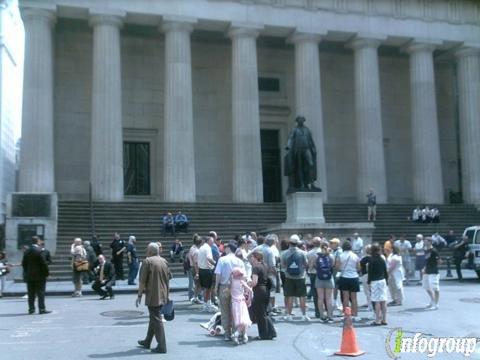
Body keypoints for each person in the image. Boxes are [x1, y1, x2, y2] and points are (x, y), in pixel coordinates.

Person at [136, 242, 171, 354]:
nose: (146, 251)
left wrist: (139, 295)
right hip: (163, 294)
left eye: (147, 250)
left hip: (153, 295)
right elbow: (168, 278)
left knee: (156, 319)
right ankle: (147, 341)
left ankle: (162, 346)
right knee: (154, 318)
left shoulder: (147, 261)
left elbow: (142, 281)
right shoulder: (164, 261)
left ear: (150, 251)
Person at [214, 242, 245, 341]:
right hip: (237, 287)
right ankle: (235, 331)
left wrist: (216, 287)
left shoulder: (222, 260)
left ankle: (227, 333)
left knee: (225, 310)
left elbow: (218, 274)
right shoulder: (239, 261)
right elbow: (243, 276)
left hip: (224, 286)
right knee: (236, 310)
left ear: (228, 249)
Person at [284, 116, 320, 193]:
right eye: (299, 119)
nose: (300, 121)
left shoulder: (307, 130)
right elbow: (291, 138)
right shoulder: (295, 130)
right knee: (299, 167)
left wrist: (313, 148)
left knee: (311, 164)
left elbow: (311, 140)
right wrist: (288, 145)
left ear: (303, 120)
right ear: (297, 121)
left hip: (307, 149)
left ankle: (312, 184)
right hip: (298, 150)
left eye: (302, 119)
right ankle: (302, 184)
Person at [281, 234, 309, 321]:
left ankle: (289, 315)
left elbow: (283, 265)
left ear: (289, 243)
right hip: (300, 277)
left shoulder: (284, 253)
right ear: (298, 243)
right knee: (302, 297)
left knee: (290, 296)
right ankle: (303, 315)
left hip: (289, 277)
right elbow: (306, 264)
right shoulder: (303, 253)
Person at [250, 251, 277, 340]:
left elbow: (254, 282)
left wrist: (247, 283)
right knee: (265, 312)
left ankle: (263, 334)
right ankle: (271, 332)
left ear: (255, 257)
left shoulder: (256, 268)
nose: (251, 258)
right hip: (266, 290)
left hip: (258, 291)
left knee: (260, 314)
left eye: (252, 257)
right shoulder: (264, 265)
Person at [22, 236, 50, 314]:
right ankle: (41, 309)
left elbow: (24, 263)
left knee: (31, 293)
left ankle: (31, 309)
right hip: (40, 275)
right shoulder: (39, 250)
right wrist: (46, 273)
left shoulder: (27, 251)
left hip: (29, 274)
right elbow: (43, 263)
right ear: (37, 241)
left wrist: (26, 272)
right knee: (40, 292)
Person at [335, 240, 361, 319]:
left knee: (345, 297)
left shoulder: (341, 256)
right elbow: (359, 268)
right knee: (354, 298)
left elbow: (337, 267)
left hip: (344, 277)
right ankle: (355, 314)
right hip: (354, 277)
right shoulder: (355, 256)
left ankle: (346, 314)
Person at [313, 240, 335, 322]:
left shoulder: (316, 256)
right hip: (329, 278)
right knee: (329, 298)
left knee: (320, 298)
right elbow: (333, 265)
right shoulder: (331, 256)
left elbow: (314, 265)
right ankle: (330, 316)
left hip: (319, 278)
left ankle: (322, 315)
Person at [230, 267, 252, 345]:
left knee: (240, 320)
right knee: (244, 319)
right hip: (241, 302)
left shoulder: (231, 281)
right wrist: (249, 299)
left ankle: (244, 336)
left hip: (234, 302)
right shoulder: (241, 282)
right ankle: (236, 334)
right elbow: (250, 290)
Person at [367, 243, 388, 326]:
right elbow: (385, 271)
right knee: (384, 300)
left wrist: (368, 283)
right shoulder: (382, 259)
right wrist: (386, 281)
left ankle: (377, 319)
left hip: (375, 281)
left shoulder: (371, 260)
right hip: (382, 280)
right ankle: (384, 319)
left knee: (377, 301)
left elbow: (370, 273)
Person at [196, 237, 217, 312]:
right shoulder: (207, 248)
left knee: (206, 288)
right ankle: (207, 305)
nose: (213, 243)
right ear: (208, 241)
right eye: (212, 241)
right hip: (207, 270)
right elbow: (209, 258)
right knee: (208, 289)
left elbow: (198, 261)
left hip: (201, 269)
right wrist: (215, 263)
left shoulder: (201, 248)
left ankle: (207, 304)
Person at [422, 238, 440, 310]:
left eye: (426, 241)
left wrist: (434, 266)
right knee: (426, 287)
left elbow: (439, 260)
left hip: (433, 272)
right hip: (426, 271)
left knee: (435, 287)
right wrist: (424, 268)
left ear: (430, 242)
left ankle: (436, 304)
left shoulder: (434, 251)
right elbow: (426, 260)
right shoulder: (426, 250)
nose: (424, 242)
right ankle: (432, 301)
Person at [306, 237, 321, 318]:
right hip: (323, 275)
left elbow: (307, 264)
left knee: (315, 294)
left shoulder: (309, 253)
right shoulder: (323, 251)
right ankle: (324, 310)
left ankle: (317, 312)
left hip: (313, 274)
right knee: (323, 294)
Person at [187, 234, 202, 304]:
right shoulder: (196, 251)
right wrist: (197, 273)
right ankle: (195, 297)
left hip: (192, 267)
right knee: (198, 284)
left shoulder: (192, 248)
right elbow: (196, 263)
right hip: (195, 268)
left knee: (197, 284)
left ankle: (195, 297)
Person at [329, 238, 343, 311]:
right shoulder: (333, 251)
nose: (330, 244)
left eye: (332, 243)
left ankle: (338, 303)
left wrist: (333, 267)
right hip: (334, 270)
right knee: (335, 287)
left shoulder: (339, 252)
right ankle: (335, 301)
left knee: (337, 287)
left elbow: (338, 263)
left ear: (336, 244)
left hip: (337, 271)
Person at [359, 244, 372, 311]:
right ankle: (372, 304)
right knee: (372, 291)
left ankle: (370, 305)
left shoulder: (363, 259)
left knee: (367, 291)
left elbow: (360, 268)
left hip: (365, 275)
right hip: (373, 276)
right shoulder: (374, 258)